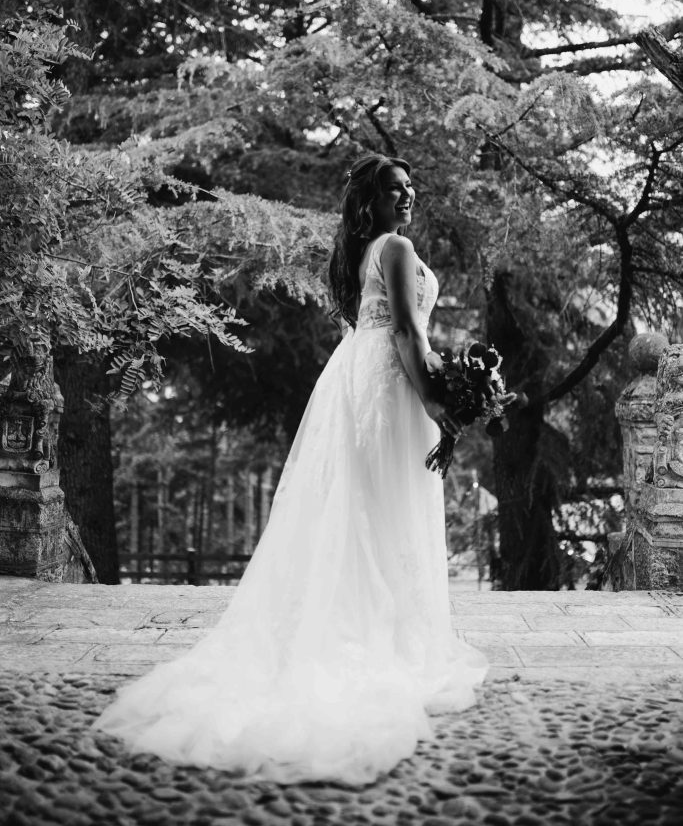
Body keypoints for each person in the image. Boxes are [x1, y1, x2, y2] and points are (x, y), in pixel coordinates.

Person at [93, 153, 488, 785]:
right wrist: (438, 404)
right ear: (371, 201)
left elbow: (390, 329)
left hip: (359, 375)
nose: (408, 195)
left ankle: (372, 630)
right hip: (389, 381)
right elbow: (407, 334)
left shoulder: (365, 251)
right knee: (386, 506)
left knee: (363, 507)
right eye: (395, 189)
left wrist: (447, 383)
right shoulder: (394, 247)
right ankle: (387, 643)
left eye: (411, 186)